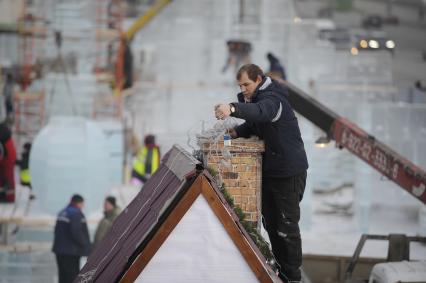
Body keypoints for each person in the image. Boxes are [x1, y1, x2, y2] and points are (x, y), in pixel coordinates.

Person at [214, 64, 308, 283]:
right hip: (272, 171)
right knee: (272, 224)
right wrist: (235, 133)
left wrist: (232, 108)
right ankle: (282, 272)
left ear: (258, 79)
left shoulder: (274, 99)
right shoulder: (257, 101)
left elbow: (262, 113)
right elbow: (255, 123)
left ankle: (292, 278)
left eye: (246, 84)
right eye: (240, 85)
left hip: (288, 172)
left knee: (286, 227)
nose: (243, 89)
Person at [52, 194, 91, 283]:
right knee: (72, 277)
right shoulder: (76, 214)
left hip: (59, 251)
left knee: (62, 276)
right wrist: (86, 246)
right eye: (82, 204)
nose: (83, 206)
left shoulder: (62, 212)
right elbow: (76, 232)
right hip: (71, 252)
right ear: (79, 203)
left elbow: (56, 230)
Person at [0, 121, 16, 202]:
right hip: (8, 153)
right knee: (6, 176)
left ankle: (9, 197)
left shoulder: (2, 130)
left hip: (7, 156)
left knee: (7, 176)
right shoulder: (3, 128)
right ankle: (5, 196)